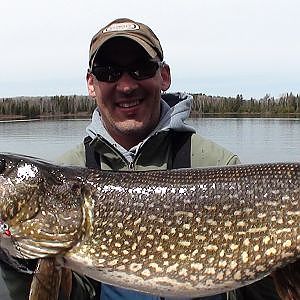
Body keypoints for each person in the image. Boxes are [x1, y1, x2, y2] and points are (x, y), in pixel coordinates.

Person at [0, 17, 280, 300]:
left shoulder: (219, 166)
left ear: (164, 76)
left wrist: (280, 268)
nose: (125, 86)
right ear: (91, 83)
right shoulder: (69, 169)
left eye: (141, 69)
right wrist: (16, 264)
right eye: (108, 72)